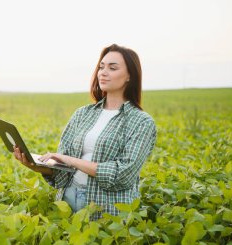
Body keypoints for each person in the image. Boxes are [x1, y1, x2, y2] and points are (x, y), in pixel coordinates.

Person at [13, 44, 156, 220]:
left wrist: (70, 160)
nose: (103, 72)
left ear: (129, 76)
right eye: (101, 67)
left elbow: (122, 175)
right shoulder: (82, 113)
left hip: (108, 209)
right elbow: (63, 169)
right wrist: (38, 167)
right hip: (68, 199)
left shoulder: (141, 122)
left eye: (112, 68)